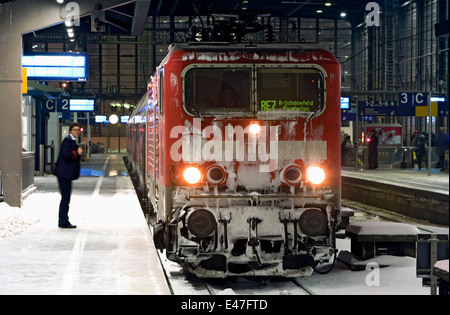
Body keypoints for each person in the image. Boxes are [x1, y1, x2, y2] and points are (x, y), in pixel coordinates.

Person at [53, 123, 83, 228]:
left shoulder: (72, 141)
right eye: (75, 130)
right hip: (63, 174)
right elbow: (67, 155)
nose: (77, 132)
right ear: (70, 131)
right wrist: (77, 152)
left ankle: (63, 221)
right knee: (65, 198)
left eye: (79, 130)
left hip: (65, 174)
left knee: (66, 198)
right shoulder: (67, 141)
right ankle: (63, 222)